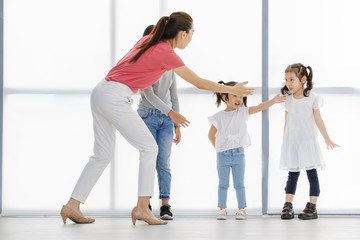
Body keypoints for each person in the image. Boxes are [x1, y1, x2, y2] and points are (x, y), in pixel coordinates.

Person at [60, 11, 254, 226]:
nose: (191, 38)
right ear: (182, 34)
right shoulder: (165, 52)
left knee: (102, 154)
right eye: (191, 34)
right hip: (114, 97)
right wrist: (230, 88)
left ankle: (73, 205)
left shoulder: (148, 40)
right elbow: (198, 82)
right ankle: (142, 208)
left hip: (101, 91)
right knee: (150, 148)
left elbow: (125, 66)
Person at [208, 81, 285, 220]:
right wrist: (219, 150)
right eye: (235, 96)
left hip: (238, 154)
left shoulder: (243, 112)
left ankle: (241, 209)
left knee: (239, 183)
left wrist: (273, 101)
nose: (239, 100)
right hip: (222, 156)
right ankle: (222, 209)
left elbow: (259, 107)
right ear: (225, 98)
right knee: (223, 183)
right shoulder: (219, 117)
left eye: (241, 97)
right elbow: (210, 135)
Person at [279, 63, 339, 220]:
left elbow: (318, 119)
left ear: (303, 79)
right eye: (286, 80)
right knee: (292, 175)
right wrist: (285, 141)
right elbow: (286, 121)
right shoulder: (288, 100)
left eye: (292, 79)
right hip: (292, 143)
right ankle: (288, 204)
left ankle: (312, 206)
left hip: (307, 142)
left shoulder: (312, 98)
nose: (288, 83)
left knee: (312, 174)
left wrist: (327, 138)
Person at [137, 25, 179, 220]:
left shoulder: (169, 64)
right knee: (148, 160)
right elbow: (148, 94)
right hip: (148, 116)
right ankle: (145, 205)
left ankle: (165, 205)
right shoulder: (144, 63)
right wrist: (170, 112)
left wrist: (177, 122)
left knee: (164, 162)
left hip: (167, 119)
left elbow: (174, 94)